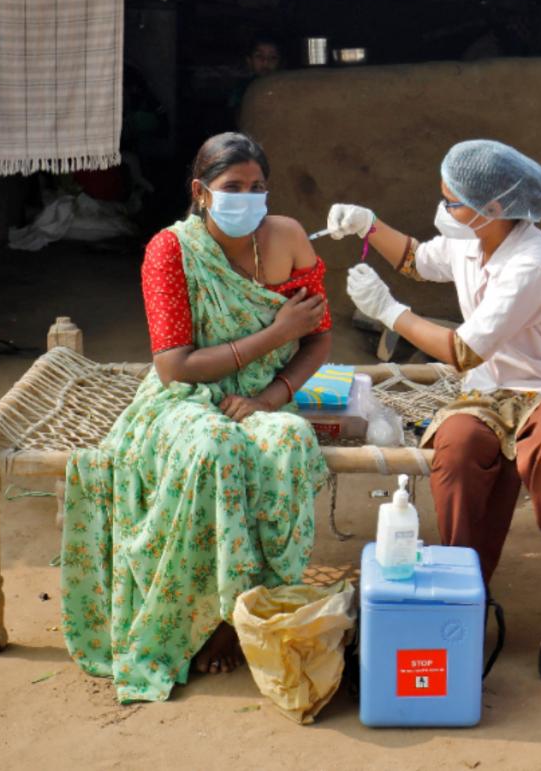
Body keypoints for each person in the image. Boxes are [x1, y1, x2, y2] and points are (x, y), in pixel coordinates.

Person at [326, 140, 541, 683]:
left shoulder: (533, 261)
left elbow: (463, 350)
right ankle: (466, 590)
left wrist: (390, 313)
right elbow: (417, 259)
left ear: (496, 210)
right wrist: (369, 225)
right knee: (459, 448)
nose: (445, 211)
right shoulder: (471, 243)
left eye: (455, 203)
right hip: (490, 389)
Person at [60, 132, 333, 703]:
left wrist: (271, 399)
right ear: (200, 192)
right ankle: (205, 618)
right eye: (233, 188)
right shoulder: (170, 250)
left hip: (257, 398)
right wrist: (276, 333)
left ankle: (254, 613)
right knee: (215, 449)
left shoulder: (287, 239)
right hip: (183, 399)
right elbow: (174, 366)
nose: (248, 199)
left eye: (258, 187)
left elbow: (319, 338)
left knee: (289, 443)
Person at [227, 35, 282, 120]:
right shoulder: (242, 87)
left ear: (279, 62)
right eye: (259, 56)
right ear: (249, 61)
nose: (266, 62)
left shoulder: (282, 86)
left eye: (273, 57)